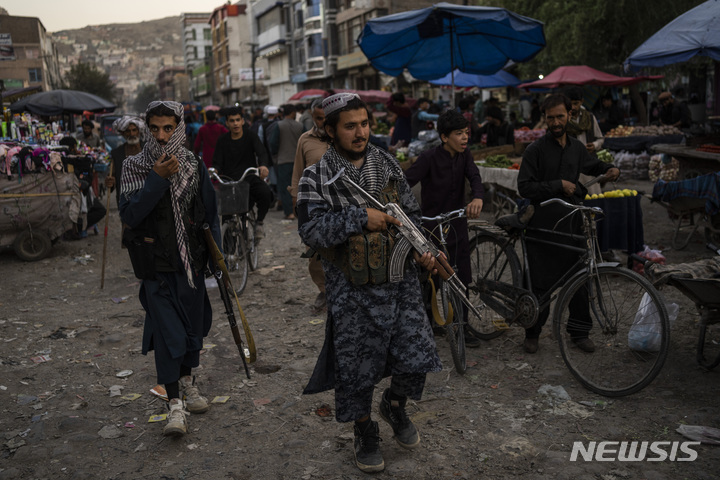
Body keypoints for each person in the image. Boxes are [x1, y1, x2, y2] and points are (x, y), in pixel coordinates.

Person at [296, 93, 442, 473]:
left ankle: (393, 406)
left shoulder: (388, 165)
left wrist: (425, 251)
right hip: (351, 292)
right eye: (350, 126)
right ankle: (364, 430)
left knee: (417, 355)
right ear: (330, 130)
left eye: (364, 123)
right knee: (357, 367)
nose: (360, 132)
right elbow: (310, 231)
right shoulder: (317, 176)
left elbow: (412, 217)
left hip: (400, 283)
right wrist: (358, 218)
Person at [118, 100, 222, 437]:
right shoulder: (134, 165)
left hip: (190, 264)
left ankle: (189, 383)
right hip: (155, 266)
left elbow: (208, 213)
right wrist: (156, 180)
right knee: (167, 335)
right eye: (155, 129)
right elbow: (131, 215)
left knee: (193, 328)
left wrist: (217, 260)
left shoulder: (193, 163)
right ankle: (174, 405)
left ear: (179, 127)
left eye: (168, 129)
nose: (162, 137)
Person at [517, 94, 619, 354]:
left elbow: (593, 165)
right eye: (550, 118)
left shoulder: (576, 148)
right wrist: (557, 185)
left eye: (560, 116)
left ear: (569, 115)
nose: (555, 122)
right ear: (545, 119)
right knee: (540, 283)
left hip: (572, 222)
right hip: (543, 226)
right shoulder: (535, 150)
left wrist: (610, 168)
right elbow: (524, 186)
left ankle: (579, 332)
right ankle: (533, 332)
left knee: (580, 280)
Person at [404, 109, 485, 346]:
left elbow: (475, 177)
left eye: (466, 133)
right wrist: (406, 210)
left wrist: (477, 197)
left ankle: (463, 326)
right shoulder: (429, 158)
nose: (464, 138)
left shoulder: (465, 155)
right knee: (431, 279)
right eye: (458, 134)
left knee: (460, 277)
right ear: (444, 137)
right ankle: (427, 326)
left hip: (457, 225)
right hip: (430, 228)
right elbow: (406, 182)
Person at [290, 98, 329, 313]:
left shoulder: (340, 138)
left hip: (337, 204)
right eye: (318, 118)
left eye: (326, 118)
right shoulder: (305, 140)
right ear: (312, 116)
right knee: (314, 252)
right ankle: (323, 290)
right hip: (311, 203)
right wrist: (295, 198)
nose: (322, 123)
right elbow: (298, 171)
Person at [212, 105, 273, 239]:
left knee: (265, 193)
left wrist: (263, 166)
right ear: (227, 123)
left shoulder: (250, 136)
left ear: (242, 121)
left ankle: (259, 222)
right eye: (232, 121)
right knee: (227, 221)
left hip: (249, 177)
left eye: (237, 120)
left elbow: (261, 152)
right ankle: (229, 256)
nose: (235, 123)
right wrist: (214, 170)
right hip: (229, 181)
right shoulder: (222, 140)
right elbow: (217, 161)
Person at [564, 86, 606, 195]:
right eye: (570, 104)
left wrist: (595, 145)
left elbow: (600, 138)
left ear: (582, 101)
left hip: (589, 166)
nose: (572, 107)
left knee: (592, 198)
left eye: (576, 103)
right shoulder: (561, 120)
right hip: (570, 167)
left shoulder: (590, 118)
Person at [272, 104, 303, 219]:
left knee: (285, 187)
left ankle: (289, 212)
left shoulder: (279, 126)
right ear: (292, 113)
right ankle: (299, 211)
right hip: (298, 161)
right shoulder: (300, 126)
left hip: (283, 160)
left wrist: (275, 155)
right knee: (299, 186)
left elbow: (273, 143)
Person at [106, 116, 144, 206]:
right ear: (123, 133)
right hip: (126, 200)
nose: (132, 134)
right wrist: (110, 182)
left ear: (138, 131)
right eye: (128, 131)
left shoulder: (148, 149)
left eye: (134, 130)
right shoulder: (116, 153)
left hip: (145, 198)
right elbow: (113, 176)